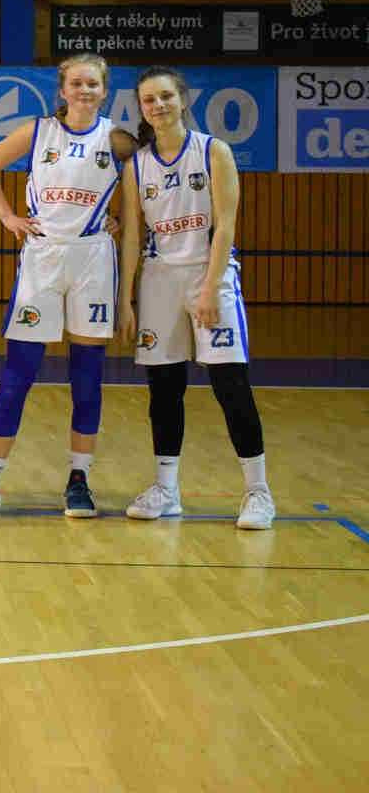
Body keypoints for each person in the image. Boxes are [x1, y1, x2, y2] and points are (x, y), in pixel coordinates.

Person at [0, 53, 135, 518]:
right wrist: (7, 216)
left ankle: (79, 480)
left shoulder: (117, 139)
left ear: (105, 90)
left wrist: (121, 216)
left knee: (87, 377)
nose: (84, 90)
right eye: (77, 83)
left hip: (93, 259)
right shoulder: (38, 131)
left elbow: (148, 182)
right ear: (63, 89)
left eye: (93, 84)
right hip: (43, 257)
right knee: (18, 373)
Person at [117, 66, 275, 530]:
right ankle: (167, 489)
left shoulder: (213, 151)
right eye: (149, 100)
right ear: (141, 108)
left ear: (182, 100)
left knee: (230, 384)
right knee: (164, 388)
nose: (158, 105)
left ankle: (258, 492)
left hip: (209, 275)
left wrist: (209, 287)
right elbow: (132, 236)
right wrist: (125, 299)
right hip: (158, 280)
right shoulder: (136, 165)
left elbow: (225, 226)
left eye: (166, 96)